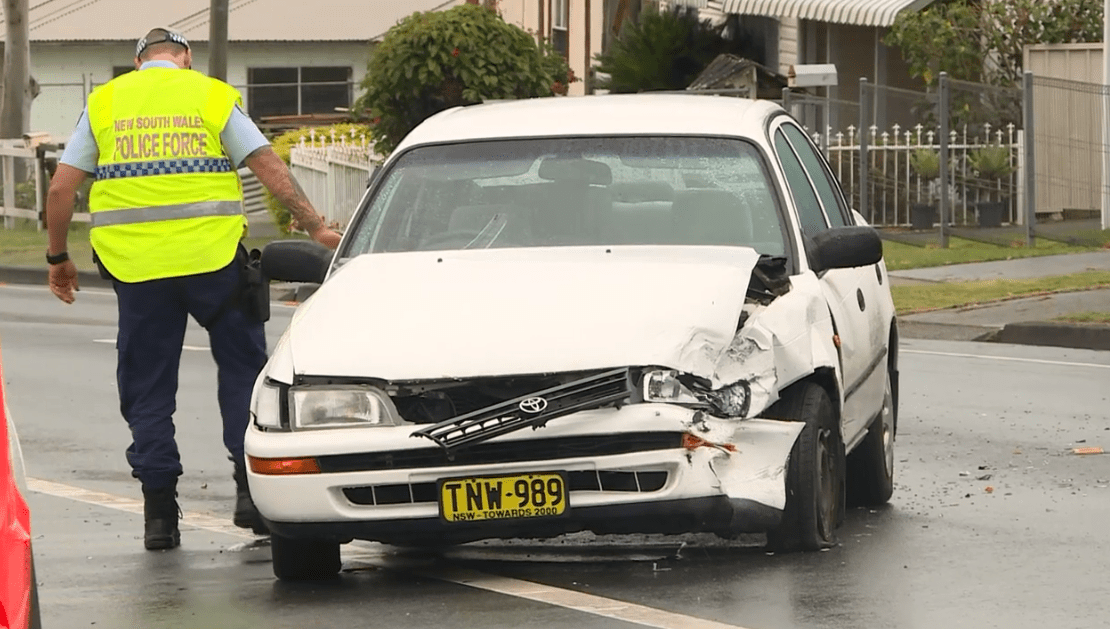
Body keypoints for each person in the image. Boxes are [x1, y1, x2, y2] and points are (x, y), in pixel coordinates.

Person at [43, 27, 342, 550]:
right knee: (244, 372)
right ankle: (251, 495)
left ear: (138, 62)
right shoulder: (210, 94)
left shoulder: (105, 102)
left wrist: (57, 257)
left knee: (148, 387)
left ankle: (159, 515)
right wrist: (315, 226)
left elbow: (61, 187)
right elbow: (266, 164)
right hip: (214, 263)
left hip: (138, 271)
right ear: (184, 57)